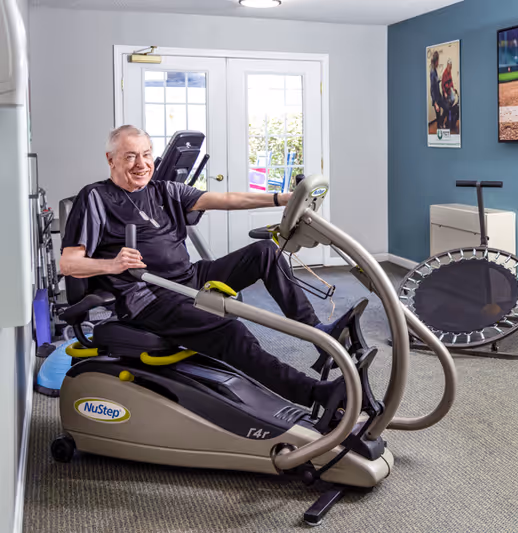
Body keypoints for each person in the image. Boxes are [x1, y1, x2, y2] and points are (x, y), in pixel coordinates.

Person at [60, 125, 358, 409]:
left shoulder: (164, 190)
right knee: (231, 332)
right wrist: (112, 264)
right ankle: (315, 393)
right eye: (130, 156)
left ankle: (318, 332)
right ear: (110, 160)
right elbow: (68, 263)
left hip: (188, 278)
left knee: (265, 252)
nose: (141, 164)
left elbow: (228, 199)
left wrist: (282, 198)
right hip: (148, 297)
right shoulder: (96, 198)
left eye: (146, 154)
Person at [429, 51, 445, 130]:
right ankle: (440, 129)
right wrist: (435, 104)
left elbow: (435, 83)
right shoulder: (432, 72)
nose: (438, 62)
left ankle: (441, 124)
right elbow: (432, 89)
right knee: (438, 116)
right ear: (436, 61)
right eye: (438, 60)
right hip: (436, 99)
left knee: (446, 107)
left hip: (439, 96)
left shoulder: (434, 70)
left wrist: (438, 80)